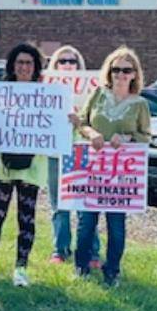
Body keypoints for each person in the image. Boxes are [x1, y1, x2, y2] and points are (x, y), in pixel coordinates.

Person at [74, 46, 151, 287]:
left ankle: (112, 271)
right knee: (87, 223)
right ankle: (82, 266)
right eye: (116, 69)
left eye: (126, 70)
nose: (120, 74)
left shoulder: (140, 104)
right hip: (93, 169)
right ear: (109, 71)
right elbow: (82, 122)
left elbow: (146, 136)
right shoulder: (98, 95)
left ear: (134, 74)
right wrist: (92, 133)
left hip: (120, 173)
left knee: (116, 226)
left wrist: (127, 139)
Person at [0, 43, 47, 287]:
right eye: (19, 62)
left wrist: (69, 120)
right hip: (2, 166)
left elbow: (55, 130)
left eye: (29, 63)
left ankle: (21, 268)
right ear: (12, 66)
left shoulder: (47, 96)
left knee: (26, 219)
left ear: (35, 66)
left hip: (32, 166)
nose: (24, 67)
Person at [44, 44, 97, 265]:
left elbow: (97, 120)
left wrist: (80, 122)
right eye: (62, 61)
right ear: (54, 65)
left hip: (83, 151)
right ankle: (60, 249)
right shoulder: (47, 89)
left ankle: (91, 251)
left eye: (72, 61)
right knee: (59, 204)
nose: (67, 65)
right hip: (56, 152)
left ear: (79, 65)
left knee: (86, 203)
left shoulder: (91, 90)